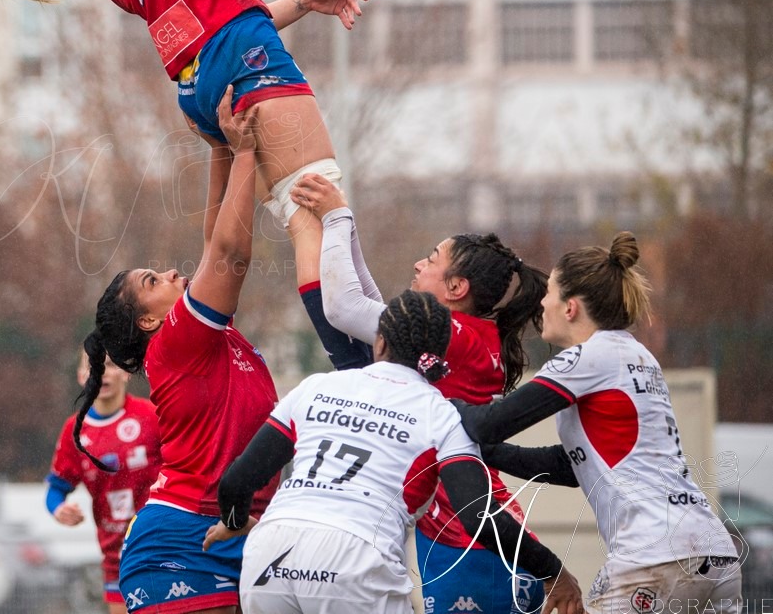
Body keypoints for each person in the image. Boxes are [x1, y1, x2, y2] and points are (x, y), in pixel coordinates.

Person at [0, 0, 372, 371]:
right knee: (313, 211)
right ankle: (361, 370)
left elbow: (203, 22)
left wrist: (295, 4)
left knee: (298, 215)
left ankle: (370, 361)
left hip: (199, 89)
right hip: (240, 56)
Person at [202, 289, 584, 614]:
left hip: (270, 553)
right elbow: (476, 516)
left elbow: (237, 481)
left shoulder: (315, 387)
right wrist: (551, 569)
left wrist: (235, 522)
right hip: (354, 560)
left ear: (380, 342)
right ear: (439, 353)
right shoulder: (441, 413)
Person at [293, 173, 553, 613]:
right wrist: (344, 221)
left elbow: (345, 307)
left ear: (456, 289)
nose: (418, 264)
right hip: (467, 529)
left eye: (431, 259)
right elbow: (374, 311)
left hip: (468, 536)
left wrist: (337, 215)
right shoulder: (468, 332)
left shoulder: (455, 335)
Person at [456, 232, 743, 613]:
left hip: (655, 556)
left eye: (550, 293)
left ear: (571, 307)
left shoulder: (587, 358)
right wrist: (490, 454)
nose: (542, 302)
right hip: (713, 553)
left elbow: (490, 424)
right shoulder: (636, 355)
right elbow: (574, 465)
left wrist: (436, 400)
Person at [74, 90, 277, 614]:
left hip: (236, 530)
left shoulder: (204, 337)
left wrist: (219, 146)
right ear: (148, 319)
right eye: (152, 280)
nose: (169, 272)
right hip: (182, 539)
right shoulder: (176, 339)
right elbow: (229, 253)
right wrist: (247, 151)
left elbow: (215, 242)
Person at [47, 349, 163, 614]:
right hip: (116, 556)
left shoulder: (151, 416)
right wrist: (59, 510)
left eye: (110, 364)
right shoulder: (74, 432)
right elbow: (55, 489)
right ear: (80, 377)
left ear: (125, 372)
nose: (101, 372)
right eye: (92, 367)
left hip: (162, 543)